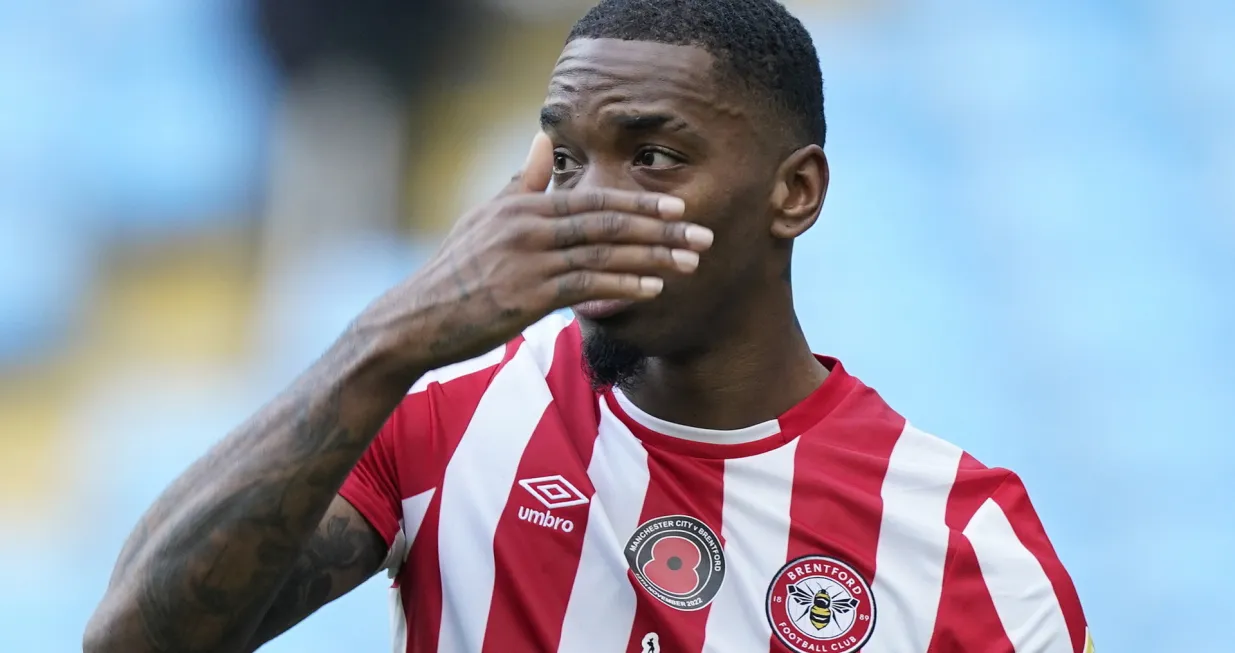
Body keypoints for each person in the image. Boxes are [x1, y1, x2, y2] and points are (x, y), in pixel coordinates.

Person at [84, 0, 1093, 652]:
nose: (586, 202)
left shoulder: (961, 539)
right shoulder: (444, 421)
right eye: (565, 160)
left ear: (794, 193)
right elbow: (135, 640)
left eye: (652, 157)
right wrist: (388, 332)